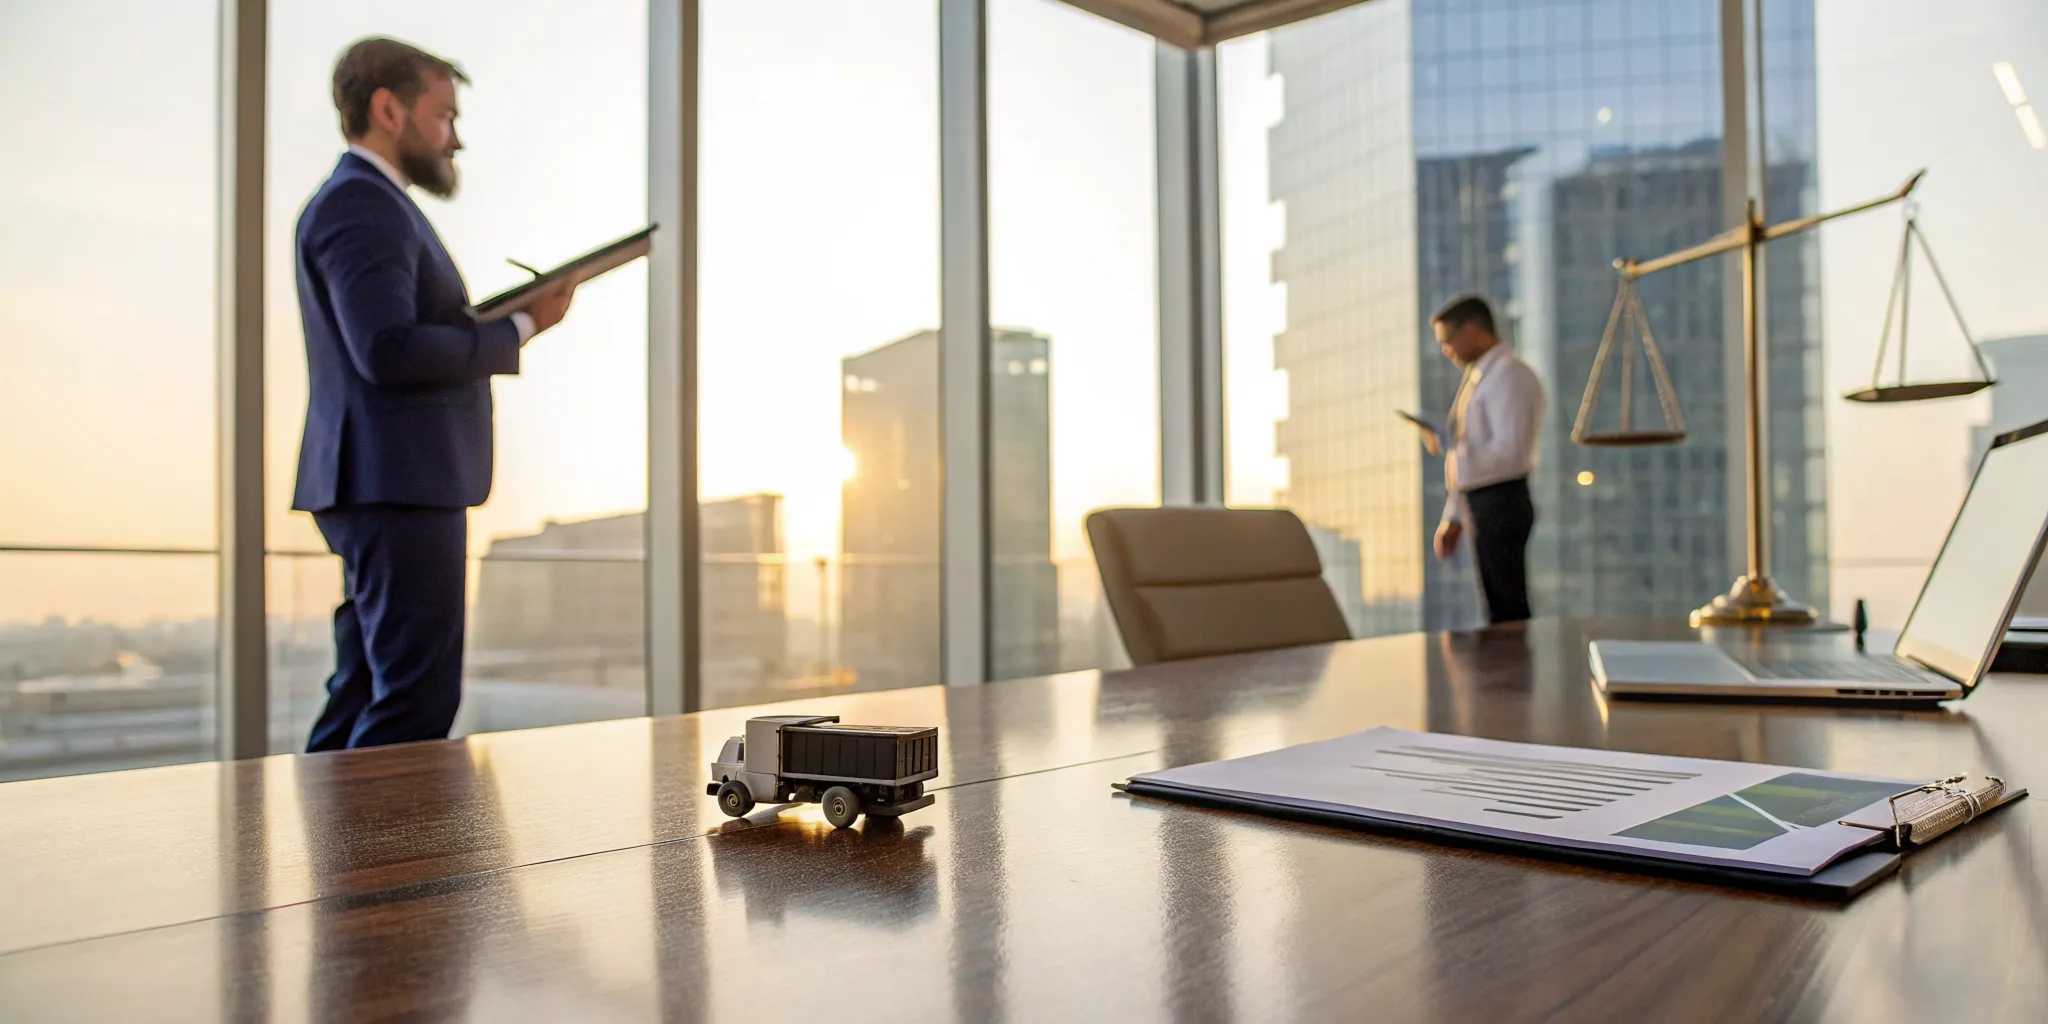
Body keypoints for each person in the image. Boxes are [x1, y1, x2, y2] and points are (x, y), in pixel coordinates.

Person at [291, 38, 576, 750]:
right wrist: (519, 325)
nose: (455, 137)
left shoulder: (366, 204)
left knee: (361, 689)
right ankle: (384, 866)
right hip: (399, 484)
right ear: (388, 110)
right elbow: (387, 350)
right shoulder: (364, 203)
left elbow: (393, 335)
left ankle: (319, 861)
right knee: (415, 701)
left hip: (382, 480)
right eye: (444, 115)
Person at [1427, 295, 1545, 625]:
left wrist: (1456, 448)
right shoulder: (1479, 379)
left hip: (1502, 500)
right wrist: (1454, 514)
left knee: (1508, 607)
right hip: (1481, 500)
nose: (1446, 350)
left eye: (1449, 340)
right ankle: (1507, 673)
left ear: (1474, 330)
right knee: (1496, 606)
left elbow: (1511, 452)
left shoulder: (1510, 377)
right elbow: (1472, 454)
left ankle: (1516, 676)